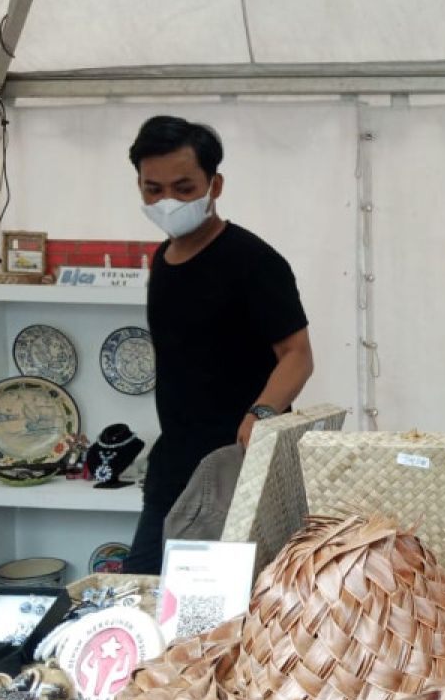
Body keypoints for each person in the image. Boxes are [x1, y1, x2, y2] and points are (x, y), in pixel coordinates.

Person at [123, 116, 313, 574]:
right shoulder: (162, 261)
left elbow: (298, 355)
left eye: (184, 188)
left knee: (224, 603)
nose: (167, 201)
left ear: (215, 184)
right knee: (147, 585)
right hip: (173, 463)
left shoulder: (253, 261)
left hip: (236, 465)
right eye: (153, 189)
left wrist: (261, 413)